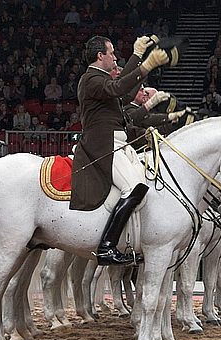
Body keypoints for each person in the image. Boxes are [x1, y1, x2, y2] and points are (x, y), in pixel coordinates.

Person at [70, 35, 170, 265]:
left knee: (144, 185)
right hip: (103, 144)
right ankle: (106, 246)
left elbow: (123, 86)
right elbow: (118, 87)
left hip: (118, 143)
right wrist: (145, 64)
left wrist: (138, 57)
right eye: (112, 53)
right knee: (134, 187)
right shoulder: (91, 79)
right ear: (100, 56)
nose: (115, 58)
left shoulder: (100, 79)